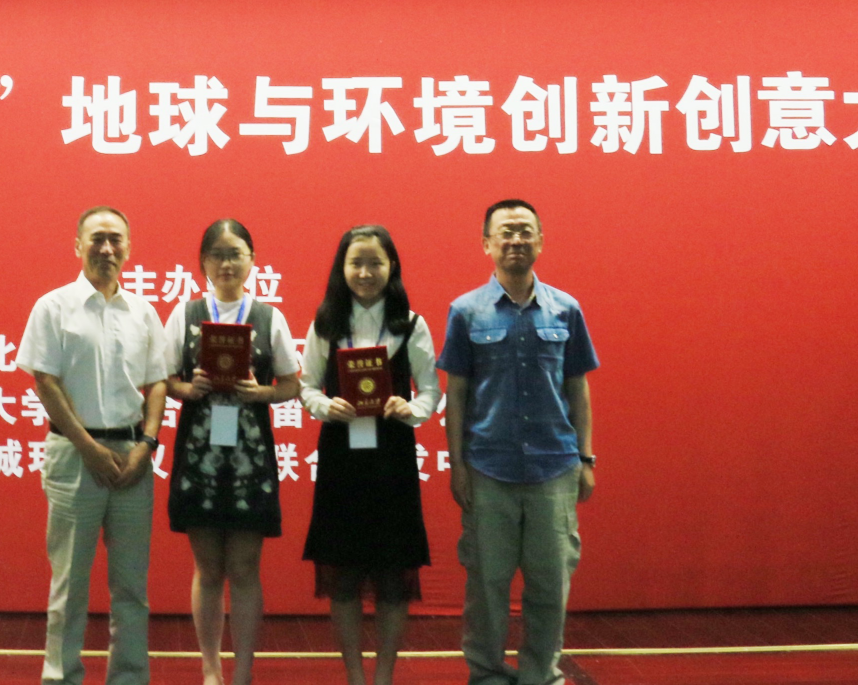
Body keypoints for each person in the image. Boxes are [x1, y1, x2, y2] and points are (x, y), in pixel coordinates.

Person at [438, 200, 599, 685]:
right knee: (487, 586)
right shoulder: (465, 311)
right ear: (486, 244)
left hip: (555, 466)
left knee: (550, 584)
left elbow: (577, 387)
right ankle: (487, 673)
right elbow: (457, 393)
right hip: (488, 468)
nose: (515, 240)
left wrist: (586, 457)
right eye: (505, 232)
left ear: (540, 241)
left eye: (525, 231)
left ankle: (539, 674)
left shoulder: (566, 309)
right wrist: (458, 465)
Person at [16, 206, 168, 685]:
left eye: (115, 239)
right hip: (74, 457)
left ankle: (129, 678)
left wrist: (147, 445)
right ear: (78, 245)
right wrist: (88, 447)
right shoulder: (53, 307)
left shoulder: (143, 312)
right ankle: (62, 679)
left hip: (132, 459)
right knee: (69, 587)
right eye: (97, 238)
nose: (106, 248)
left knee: (131, 589)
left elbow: (157, 383)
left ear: (129, 247)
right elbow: (45, 381)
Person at [300, 224, 441, 685]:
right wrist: (326, 406)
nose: (365, 273)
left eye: (375, 263)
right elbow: (306, 387)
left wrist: (410, 408)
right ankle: (355, 677)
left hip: (391, 461)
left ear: (391, 266)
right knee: (342, 575)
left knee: (392, 577)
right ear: (341, 268)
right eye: (356, 263)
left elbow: (431, 391)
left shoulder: (410, 324)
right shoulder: (326, 324)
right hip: (341, 461)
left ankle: (383, 676)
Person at [164, 219, 301, 685]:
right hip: (199, 458)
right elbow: (162, 380)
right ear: (203, 262)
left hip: (250, 461)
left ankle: (242, 672)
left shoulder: (268, 317)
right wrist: (188, 388)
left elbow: (292, 384)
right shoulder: (185, 314)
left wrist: (262, 393)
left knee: (244, 569)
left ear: (252, 260)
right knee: (207, 569)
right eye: (217, 255)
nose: (226, 263)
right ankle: (210, 669)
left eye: (235, 253)